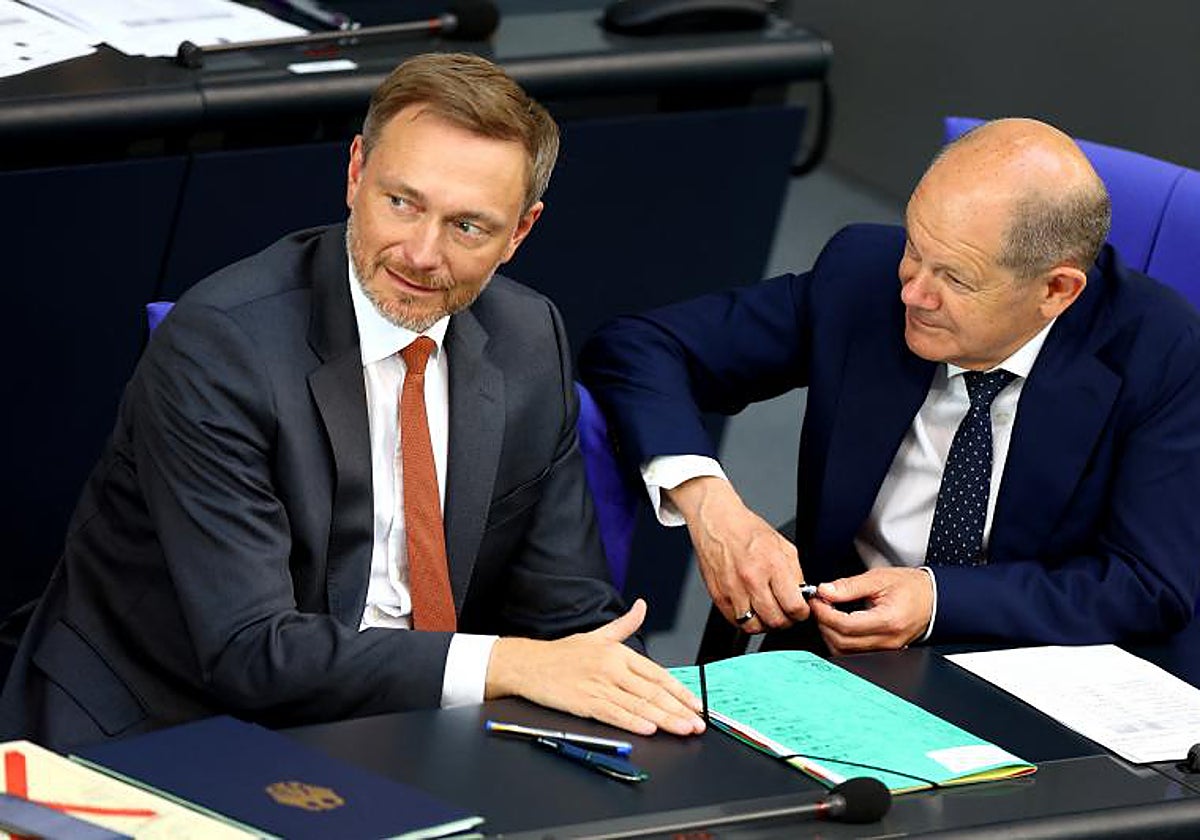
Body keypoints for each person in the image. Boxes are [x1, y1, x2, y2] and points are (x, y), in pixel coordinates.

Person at [0, 52, 705, 751]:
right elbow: (252, 651)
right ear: (355, 173)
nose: (421, 254)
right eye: (402, 202)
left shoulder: (527, 339)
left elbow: (570, 608)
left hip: (413, 720)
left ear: (519, 233)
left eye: (468, 226)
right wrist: (506, 664)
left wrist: (640, 706)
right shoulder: (220, 346)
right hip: (178, 723)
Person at [580, 118, 1200, 655]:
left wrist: (937, 601)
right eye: (915, 247)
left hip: (1030, 669)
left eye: (955, 278)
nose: (913, 291)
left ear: (1055, 291)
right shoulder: (862, 277)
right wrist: (707, 499)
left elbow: (1147, 584)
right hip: (837, 651)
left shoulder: (1160, 351)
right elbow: (638, 347)